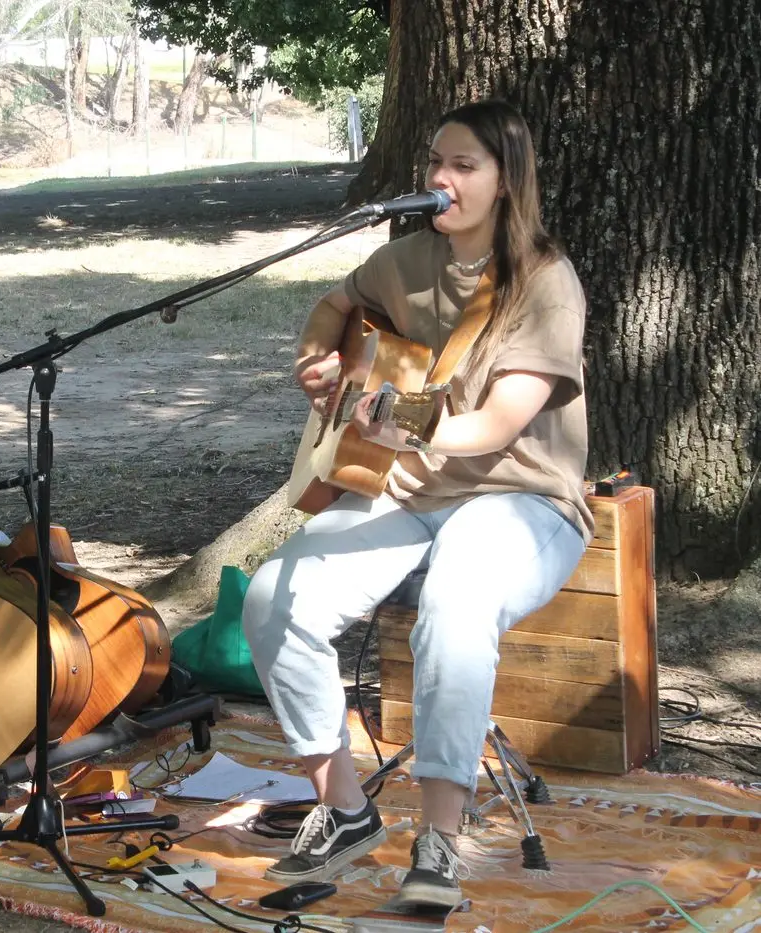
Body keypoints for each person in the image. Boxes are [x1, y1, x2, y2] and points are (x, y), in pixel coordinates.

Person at [241, 98, 592, 909]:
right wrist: (317, 363)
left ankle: (437, 837)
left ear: (506, 181)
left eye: (463, 165)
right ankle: (343, 807)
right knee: (272, 599)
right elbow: (334, 306)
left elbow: (497, 423)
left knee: (455, 604)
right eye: (435, 161)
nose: (440, 177)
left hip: (521, 496)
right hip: (408, 487)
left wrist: (405, 429)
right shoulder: (402, 261)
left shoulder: (545, 282)